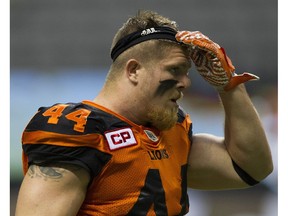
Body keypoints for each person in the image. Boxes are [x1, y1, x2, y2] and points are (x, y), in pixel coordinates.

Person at [15, 10, 273, 216]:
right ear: (134, 70)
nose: (186, 82)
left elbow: (251, 168)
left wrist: (228, 87)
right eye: (175, 70)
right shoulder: (77, 130)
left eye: (186, 72)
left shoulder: (170, 132)